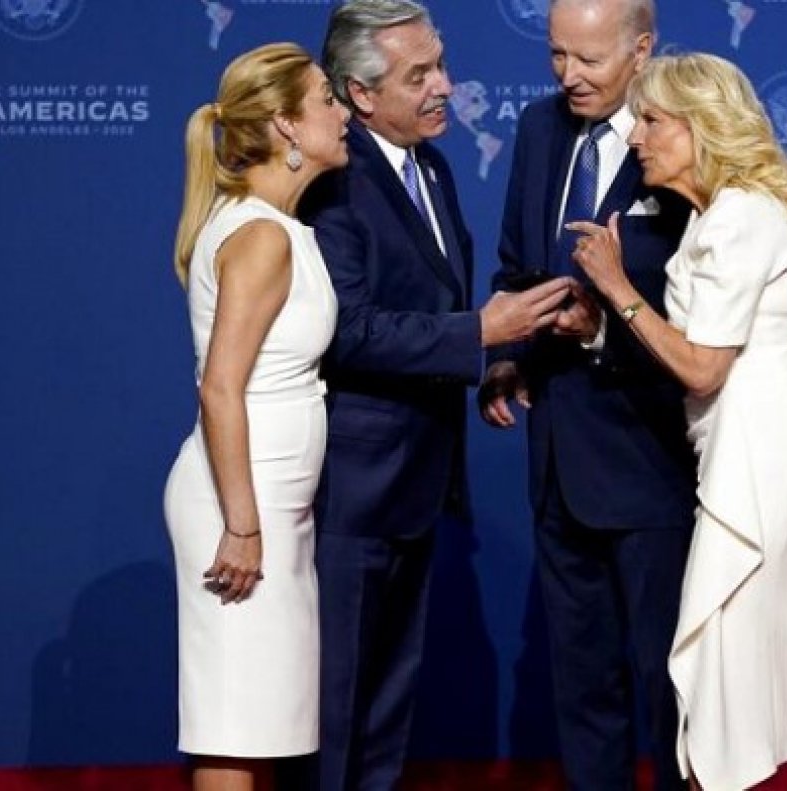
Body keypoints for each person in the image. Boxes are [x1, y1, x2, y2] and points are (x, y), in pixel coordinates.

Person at [297, 2, 571, 789]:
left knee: (387, 708)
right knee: (334, 708)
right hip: (352, 490)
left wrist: (490, 359)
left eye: (440, 64)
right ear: (359, 92)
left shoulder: (434, 166)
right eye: (420, 75)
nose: (446, 86)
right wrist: (477, 335)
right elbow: (346, 330)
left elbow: (433, 306)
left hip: (418, 483)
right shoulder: (334, 182)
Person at [569, 52, 787, 790]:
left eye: (655, 121)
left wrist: (615, 286)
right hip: (746, 450)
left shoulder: (742, 218)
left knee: (740, 680)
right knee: (785, 682)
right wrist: (604, 325)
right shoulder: (716, 219)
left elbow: (702, 367)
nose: (637, 136)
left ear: (703, 127)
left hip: (765, 457)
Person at [480, 1, 696, 788]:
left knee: (672, 687)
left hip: (650, 458)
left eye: (589, 61)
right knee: (583, 690)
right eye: (556, 56)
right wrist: (507, 355)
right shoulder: (540, 129)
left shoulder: (685, 135)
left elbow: (710, 309)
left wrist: (604, 329)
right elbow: (515, 264)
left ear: (642, 50)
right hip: (557, 462)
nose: (568, 76)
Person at [163, 43, 350, 791]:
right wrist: (242, 523)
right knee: (235, 725)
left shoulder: (277, 226)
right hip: (241, 503)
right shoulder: (262, 236)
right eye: (328, 102)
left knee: (262, 721)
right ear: (286, 127)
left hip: (271, 500)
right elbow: (220, 387)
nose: (343, 114)